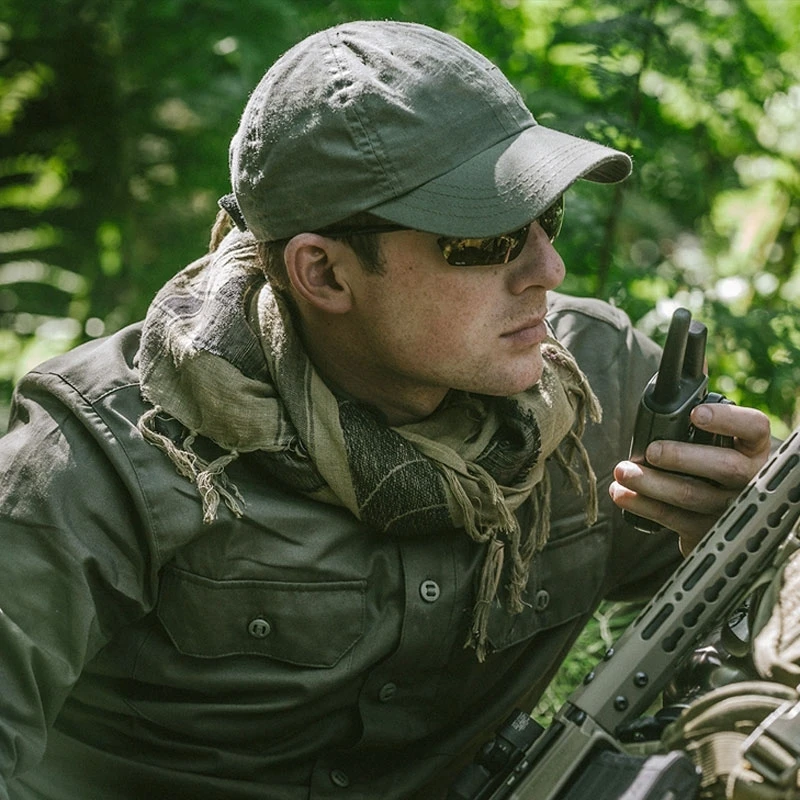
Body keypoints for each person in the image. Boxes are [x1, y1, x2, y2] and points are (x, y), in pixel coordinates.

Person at [0, 19, 772, 800]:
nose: (549, 266)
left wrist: (748, 542)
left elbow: (755, 636)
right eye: (488, 240)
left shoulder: (593, 383)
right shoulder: (100, 458)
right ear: (325, 274)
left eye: (548, 219)